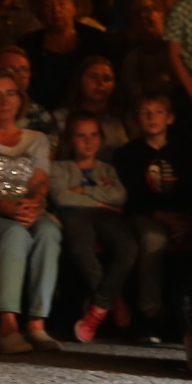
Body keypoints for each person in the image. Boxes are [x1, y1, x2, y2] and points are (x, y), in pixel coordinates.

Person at [0, 71, 63, 353]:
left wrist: (32, 203)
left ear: (20, 100)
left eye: (11, 94)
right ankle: (7, 324)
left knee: (49, 231)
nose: (5, 101)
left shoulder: (37, 138)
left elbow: (41, 180)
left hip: (27, 211)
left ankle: (37, 324)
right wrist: (5, 207)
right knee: (15, 233)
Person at [111, 93, 192, 343]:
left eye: (158, 112)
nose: (151, 117)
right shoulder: (126, 154)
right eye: (145, 113)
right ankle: (150, 314)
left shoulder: (184, 151)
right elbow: (131, 196)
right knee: (153, 240)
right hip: (144, 214)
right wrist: (162, 217)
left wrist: (184, 219)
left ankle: (188, 318)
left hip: (180, 215)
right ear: (137, 119)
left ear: (170, 118)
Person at [55, 113, 138, 343]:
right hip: (74, 214)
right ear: (70, 140)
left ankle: (100, 305)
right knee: (81, 248)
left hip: (105, 217)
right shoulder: (59, 168)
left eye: (93, 135)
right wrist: (102, 202)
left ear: (101, 139)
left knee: (128, 247)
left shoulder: (107, 170)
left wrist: (85, 191)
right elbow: (62, 197)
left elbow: (120, 196)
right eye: (81, 136)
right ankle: (112, 300)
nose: (88, 141)